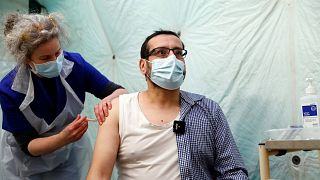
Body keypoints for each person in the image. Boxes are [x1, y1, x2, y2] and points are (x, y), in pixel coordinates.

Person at [87, 30, 248, 180]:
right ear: (143, 65)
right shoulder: (118, 110)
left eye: (178, 53)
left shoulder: (208, 110)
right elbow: (99, 174)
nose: (172, 59)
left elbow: (232, 171)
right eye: (161, 52)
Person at [0, 13, 127, 180]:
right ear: (26, 60)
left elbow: (119, 91)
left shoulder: (75, 64)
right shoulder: (10, 89)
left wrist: (106, 102)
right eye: (45, 58)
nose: (56, 61)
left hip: (68, 153)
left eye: (58, 52)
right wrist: (62, 138)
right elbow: (28, 146)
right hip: (27, 163)